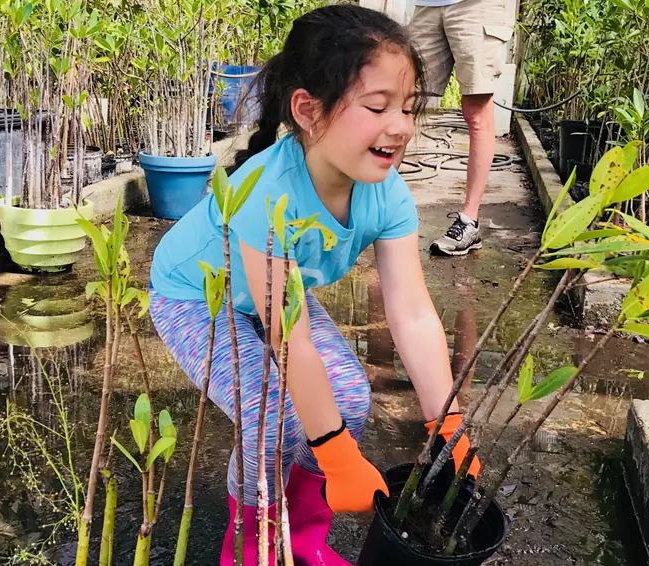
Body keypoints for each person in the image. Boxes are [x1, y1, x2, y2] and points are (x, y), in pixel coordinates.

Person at [149, 5, 479, 564]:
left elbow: (413, 313)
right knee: (274, 417)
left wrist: (446, 420)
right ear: (308, 110)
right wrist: (332, 451)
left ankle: (300, 540)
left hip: (277, 295)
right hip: (196, 298)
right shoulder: (267, 193)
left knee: (348, 397)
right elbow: (290, 343)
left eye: (408, 107)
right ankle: (250, 548)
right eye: (378, 106)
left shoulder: (387, 193)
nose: (399, 126)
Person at [409, 0, 516, 255]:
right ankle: (378, 209)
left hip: (477, 6)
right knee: (403, 100)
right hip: (427, 5)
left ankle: (469, 221)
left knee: (476, 109)